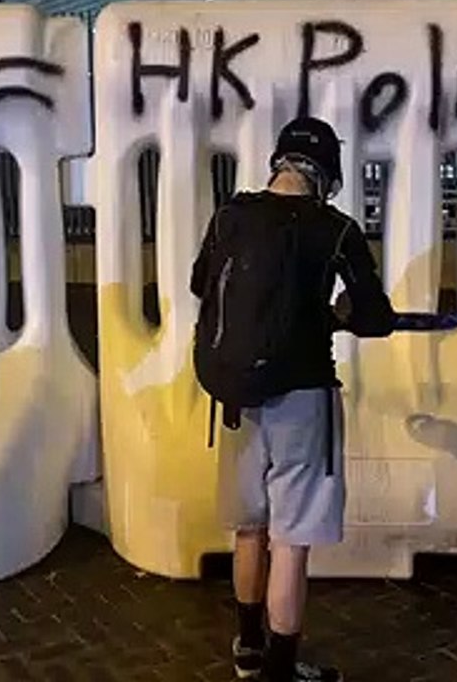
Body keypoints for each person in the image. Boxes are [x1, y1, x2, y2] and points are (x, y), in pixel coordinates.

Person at [190, 116, 398, 681]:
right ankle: (282, 672)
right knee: (291, 541)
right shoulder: (336, 229)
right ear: (326, 173)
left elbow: (198, 284)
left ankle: (248, 651)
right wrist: (338, 316)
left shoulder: (230, 215)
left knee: (249, 528)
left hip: (233, 396)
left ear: (278, 161)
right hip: (304, 397)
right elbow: (375, 317)